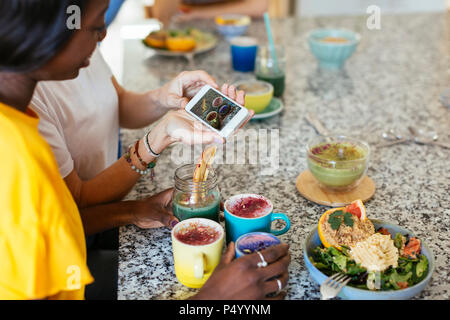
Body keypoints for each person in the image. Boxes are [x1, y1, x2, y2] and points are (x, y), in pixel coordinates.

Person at [0, 0, 290, 300]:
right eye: (97, 25)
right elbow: (73, 204)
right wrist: (212, 299)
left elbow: (61, 219)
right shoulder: (17, 157)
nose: (102, 37)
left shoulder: (18, 121)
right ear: (47, 29)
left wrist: (165, 98)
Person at [152, 0, 269, 25]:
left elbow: (258, 7)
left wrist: (197, 13)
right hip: (186, 34)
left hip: (241, 30)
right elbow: (161, 13)